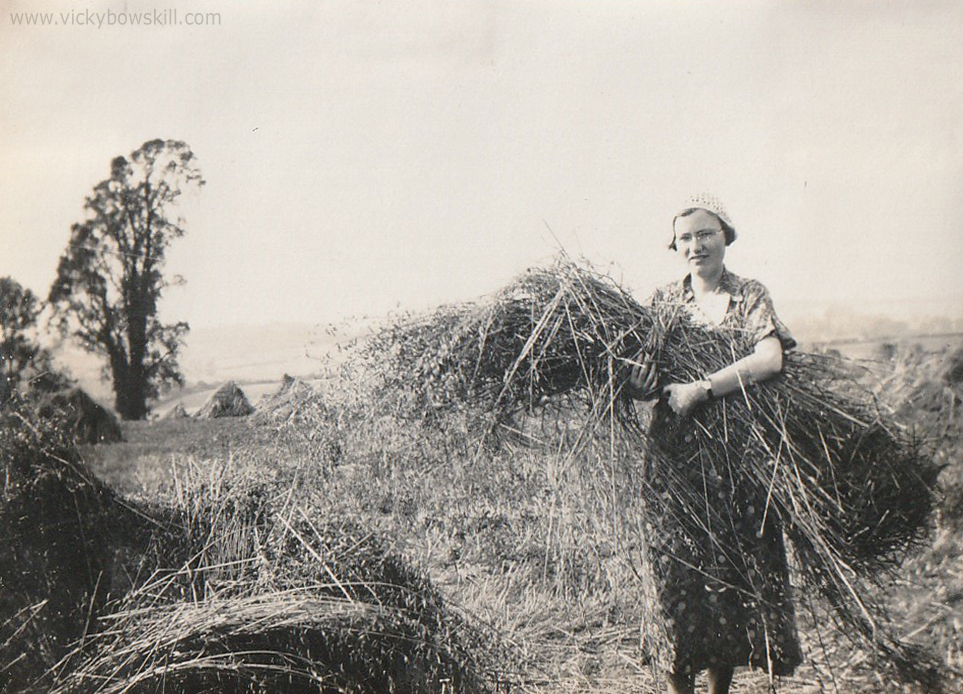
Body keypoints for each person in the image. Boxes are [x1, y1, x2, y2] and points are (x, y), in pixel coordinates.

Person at [628, 195, 802, 694]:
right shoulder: (663, 302)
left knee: (725, 576)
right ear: (674, 245)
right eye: (684, 237)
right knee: (672, 574)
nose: (695, 245)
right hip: (673, 460)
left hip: (733, 456)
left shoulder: (749, 295)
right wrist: (638, 384)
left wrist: (702, 388)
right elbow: (642, 376)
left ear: (726, 236)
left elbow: (769, 359)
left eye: (705, 233)